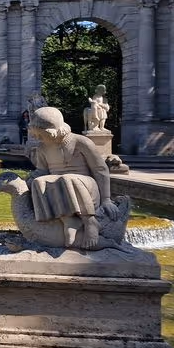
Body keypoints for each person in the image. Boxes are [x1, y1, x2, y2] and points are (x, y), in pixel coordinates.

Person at [26, 107, 112, 250]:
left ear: (52, 132)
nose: (37, 138)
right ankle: (69, 220)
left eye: (39, 134)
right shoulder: (42, 148)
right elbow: (42, 171)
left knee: (66, 178)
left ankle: (90, 222)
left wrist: (107, 199)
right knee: (38, 182)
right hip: (60, 189)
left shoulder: (80, 142)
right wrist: (29, 179)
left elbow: (100, 169)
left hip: (86, 188)